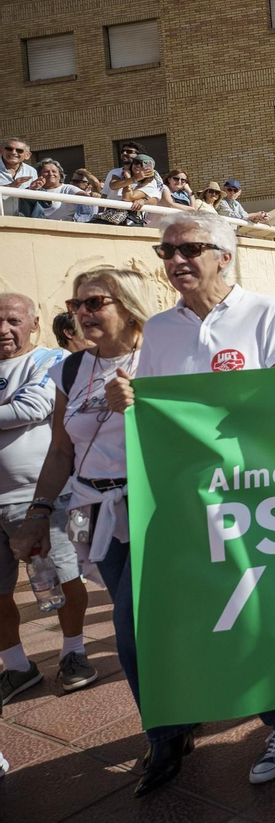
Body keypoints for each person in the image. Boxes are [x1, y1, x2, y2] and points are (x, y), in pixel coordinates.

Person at [98, 213, 275, 794]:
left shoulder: (266, 312)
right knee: (207, 617)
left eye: (191, 248)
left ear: (224, 256)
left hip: (258, 497)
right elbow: (155, 413)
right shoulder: (159, 329)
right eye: (167, 251)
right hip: (190, 503)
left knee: (265, 612)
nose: (177, 260)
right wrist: (126, 398)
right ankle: (195, 728)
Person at [8, 271, 170, 792]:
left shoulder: (159, 352)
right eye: (77, 303)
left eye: (95, 301)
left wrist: (143, 403)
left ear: (127, 304)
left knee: (128, 628)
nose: (82, 311)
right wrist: (39, 510)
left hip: (155, 507)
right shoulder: (73, 367)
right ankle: (176, 723)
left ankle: (163, 737)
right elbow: (61, 449)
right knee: (142, 626)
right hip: (95, 510)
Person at [0, 294, 97, 704]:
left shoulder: (50, 361)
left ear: (34, 323)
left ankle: (74, 652)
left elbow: (31, 406)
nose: (4, 328)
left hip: (39, 497)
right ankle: (17, 666)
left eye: (13, 319)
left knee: (63, 577)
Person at [18, 159, 93, 221]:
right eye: (46, 172)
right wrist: (31, 190)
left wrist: (91, 195)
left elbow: (82, 195)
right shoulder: (34, 189)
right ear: (39, 175)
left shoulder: (67, 188)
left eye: (54, 171)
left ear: (60, 175)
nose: (51, 174)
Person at [1, 138, 36, 216]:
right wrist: (10, 186)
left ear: (27, 155)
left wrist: (34, 189)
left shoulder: (31, 171)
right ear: (1, 151)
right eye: (9, 149)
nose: (13, 152)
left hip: (22, 221)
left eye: (19, 150)